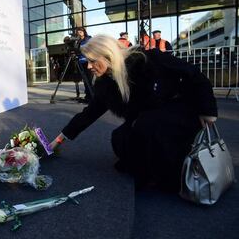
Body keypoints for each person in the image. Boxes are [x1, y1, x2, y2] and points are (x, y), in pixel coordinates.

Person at [50, 35, 218, 190]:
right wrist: (58, 140)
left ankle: (167, 176)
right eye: (87, 62)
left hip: (178, 112)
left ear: (108, 56)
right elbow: (89, 114)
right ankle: (148, 168)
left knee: (145, 126)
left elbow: (194, 74)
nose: (89, 66)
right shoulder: (105, 84)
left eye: (92, 61)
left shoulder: (149, 59)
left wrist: (207, 110)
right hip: (146, 119)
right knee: (119, 137)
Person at [76, 27, 93, 103]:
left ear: (84, 32)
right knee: (85, 81)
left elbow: (91, 51)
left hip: (87, 62)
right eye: (78, 32)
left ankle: (92, 97)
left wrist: (90, 62)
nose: (79, 33)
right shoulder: (79, 41)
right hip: (81, 62)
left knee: (89, 80)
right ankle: (88, 96)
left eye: (81, 31)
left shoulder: (88, 39)